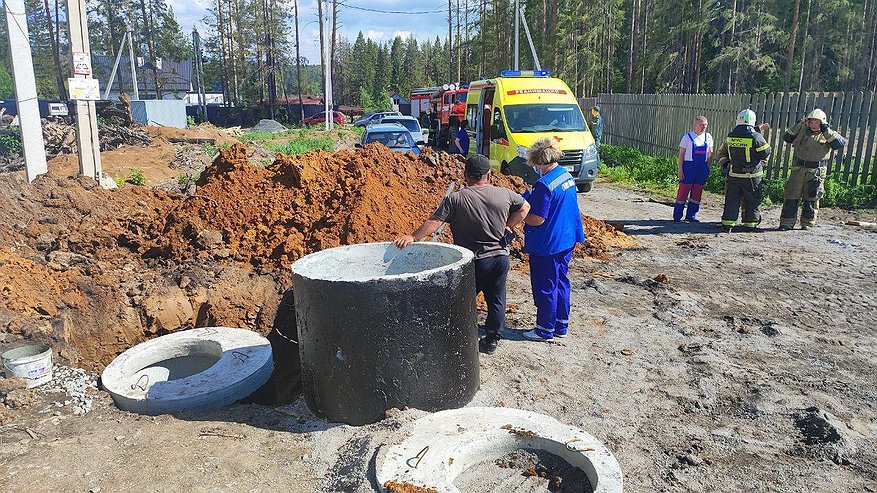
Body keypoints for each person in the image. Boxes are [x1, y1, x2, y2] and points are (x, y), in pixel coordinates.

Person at [394, 154, 530, 354]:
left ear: (465, 175)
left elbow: (435, 222)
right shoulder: (505, 194)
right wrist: (508, 225)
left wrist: (413, 237)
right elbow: (525, 207)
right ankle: (491, 340)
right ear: (489, 175)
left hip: (475, 261)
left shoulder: (456, 198)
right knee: (497, 299)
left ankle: (458, 335)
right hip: (500, 257)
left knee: (461, 299)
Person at [520, 138, 586, 342]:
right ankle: (560, 325)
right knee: (561, 282)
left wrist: (520, 217)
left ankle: (544, 330)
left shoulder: (544, 185)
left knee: (545, 285)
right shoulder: (565, 176)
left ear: (540, 162)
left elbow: (537, 218)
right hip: (567, 238)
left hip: (548, 243)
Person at [778, 109, 846, 230]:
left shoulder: (828, 134)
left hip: (816, 170)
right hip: (798, 168)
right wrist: (799, 123)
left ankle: (807, 223)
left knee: (812, 197)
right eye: (812, 122)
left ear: (823, 123)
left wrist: (826, 130)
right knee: (791, 195)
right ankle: (786, 223)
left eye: (817, 123)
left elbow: (839, 144)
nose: (814, 125)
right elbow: (787, 137)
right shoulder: (801, 129)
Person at [714, 109, 771, 232]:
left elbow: (722, 152)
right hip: (752, 177)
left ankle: (728, 224)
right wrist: (758, 134)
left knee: (732, 200)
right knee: (753, 200)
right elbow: (766, 152)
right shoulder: (756, 137)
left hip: (734, 175)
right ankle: (750, 224)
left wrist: (726, 165)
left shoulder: (730, 136)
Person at [673, 116, 714, 222]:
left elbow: (710, 153)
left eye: (705, 125)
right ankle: (677, 216)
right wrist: (680, 170)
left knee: (697, 193)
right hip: (689, 168)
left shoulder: (708, 137)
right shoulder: (687, 137)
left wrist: (707, 167)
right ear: (696, 125)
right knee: (683, 191)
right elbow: (681, 155)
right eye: (702, 125)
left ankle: (691, 216)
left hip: (701, 169)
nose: (704, 127)